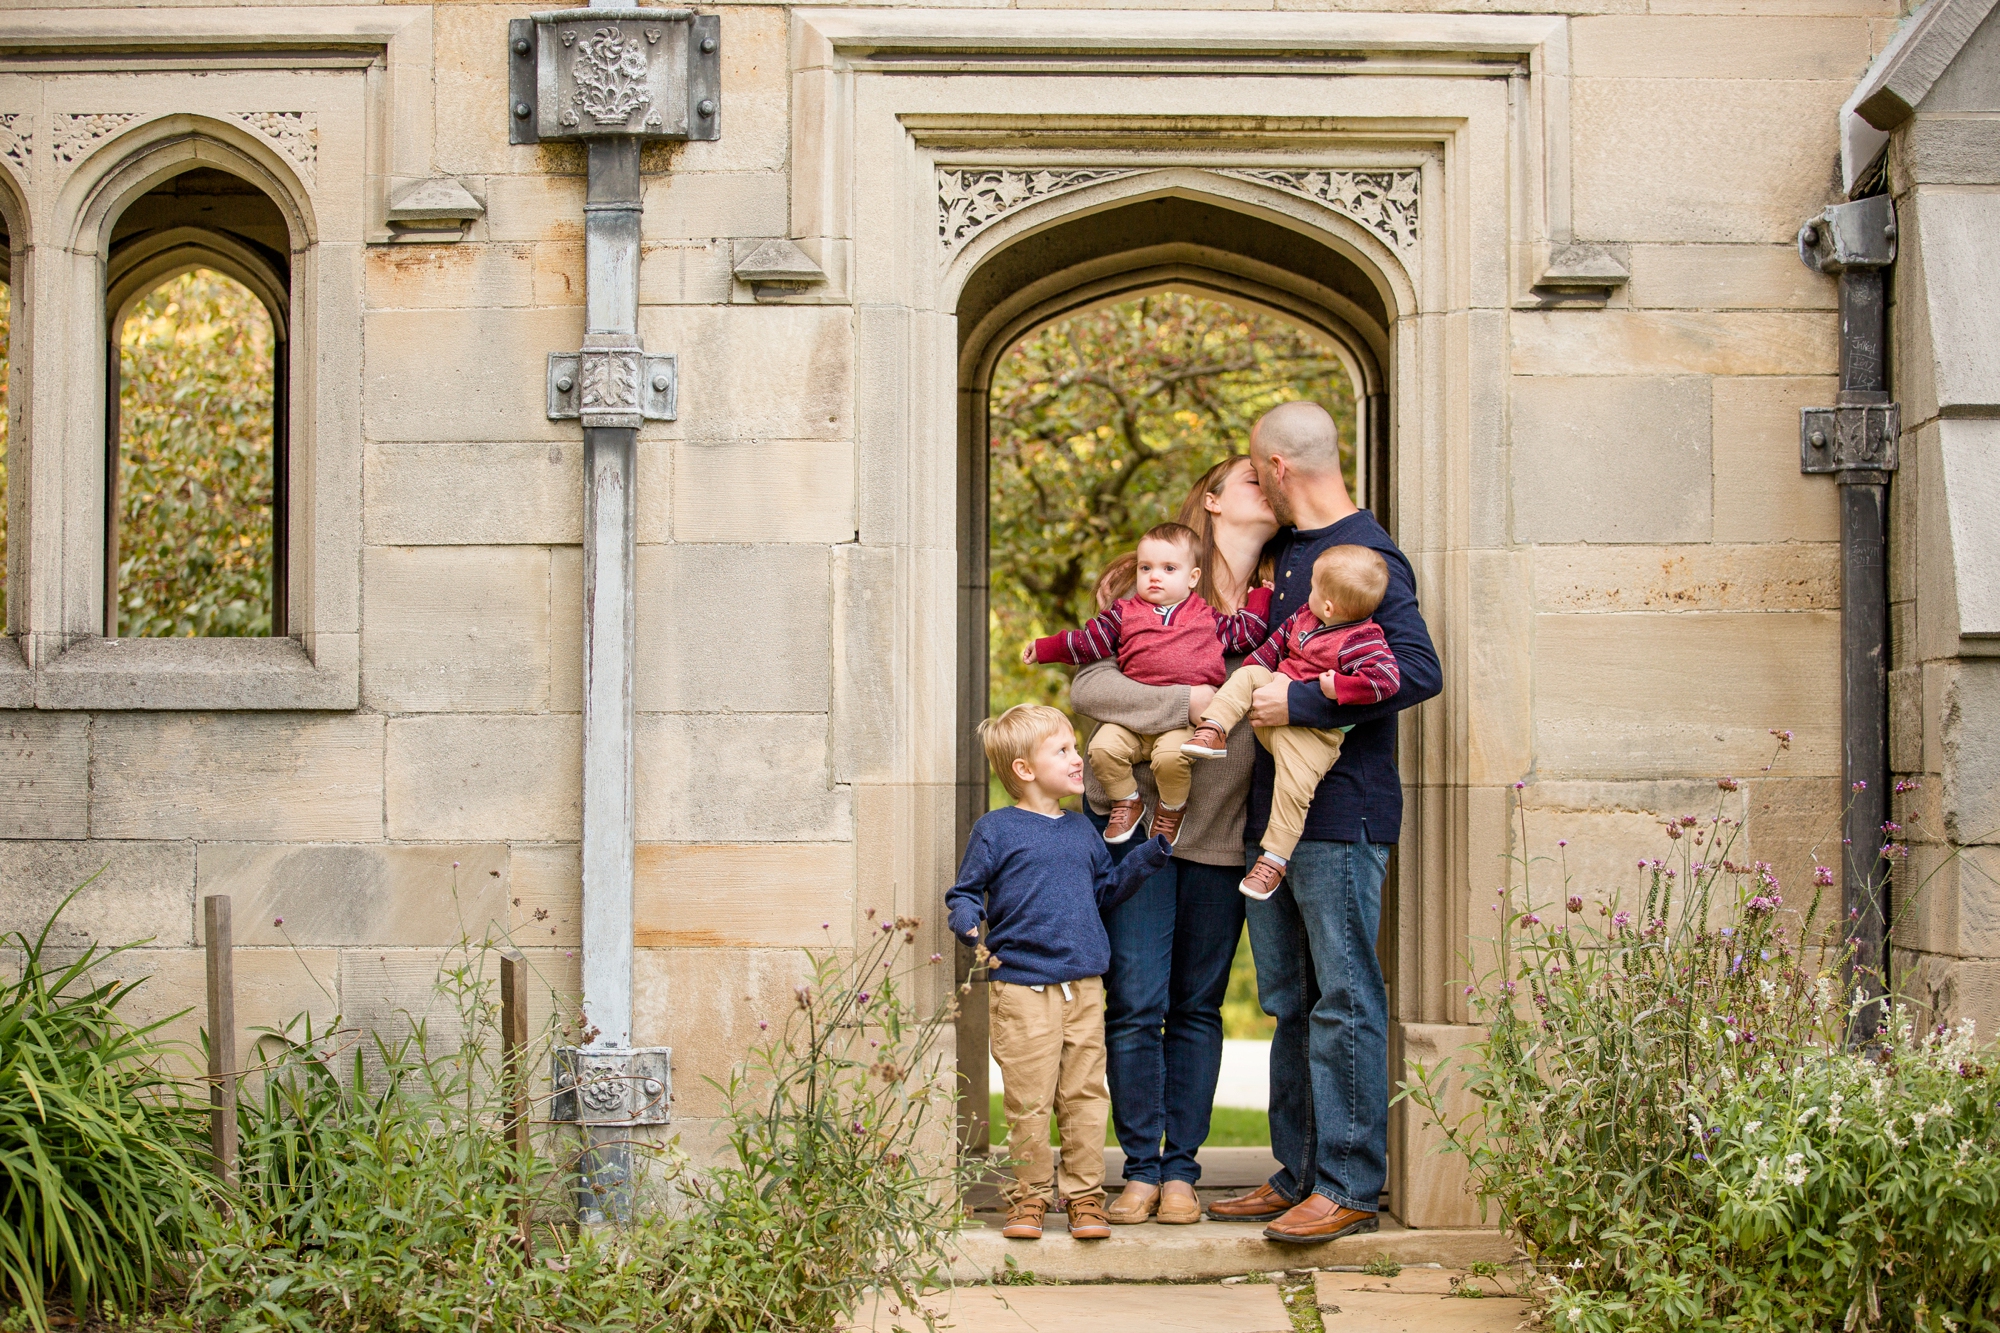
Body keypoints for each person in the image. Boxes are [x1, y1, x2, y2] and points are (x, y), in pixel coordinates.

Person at [1203, 400, 1440, 1245]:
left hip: (1342, 817)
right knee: (1292, 1002)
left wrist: (1301, 697)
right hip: (1274, 821)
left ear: (1275, 468)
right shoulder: (1293, 556)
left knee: (1343, 997)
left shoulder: (1368, 557)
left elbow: (1418, 669)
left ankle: (1347, 1185)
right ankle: (1297, 1172)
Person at [1067, 456, 1278, 1226]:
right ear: (1215, 502)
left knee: (1196, 1005)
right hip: (1137, 836)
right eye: (1257, 476)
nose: (1275, 485)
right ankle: (1140, 1170)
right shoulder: (1146, 576)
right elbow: (1090, 688)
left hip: (1223, 836)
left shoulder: (1280, 595)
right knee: (1134, 1004)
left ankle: (1183, 1170)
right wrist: (1185, 699)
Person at [947, 703, 1174, 1242]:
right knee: (1029, 1099)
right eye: (1065, 751)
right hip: (1022, 987)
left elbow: (1103, 895)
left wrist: (1144, 858)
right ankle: (1028, 1198)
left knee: (1085, 1095)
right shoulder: (996, 830)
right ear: (1024, 769)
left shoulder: (1081, 831)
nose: (1079, 760)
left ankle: (1085, 1197)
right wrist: (970, 926)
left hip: (1086, 987)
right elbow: (964, 891)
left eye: (1076, 749)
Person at [1024, 521, 1272, 847]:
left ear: (1193, 578)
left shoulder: (1206, 618)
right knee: (1101, 749)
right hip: (1132, 721)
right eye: (1146, 568)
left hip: (1179, 723)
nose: (1155, 576)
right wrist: (1044, 648)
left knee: (1171, 759)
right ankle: (1127, 800)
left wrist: (1262, 597)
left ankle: (1172, 808)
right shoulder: (1124, 613)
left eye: (1168, 569)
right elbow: (1087, 643)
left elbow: (1246, 633)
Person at [1183, 543, 1401, 900]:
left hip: (1312, 738)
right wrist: (1256, 672)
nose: (1308, 591)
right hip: (1272, 706)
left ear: (1329, 605)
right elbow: (1271, 649)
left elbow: (1387, 681)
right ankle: (1214, 728)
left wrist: (1338, 688)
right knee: (1247, 674)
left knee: (1293, 791)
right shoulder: (1305, 616)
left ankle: (1274, 859)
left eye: (1314, 586)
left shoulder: (1362, 641)